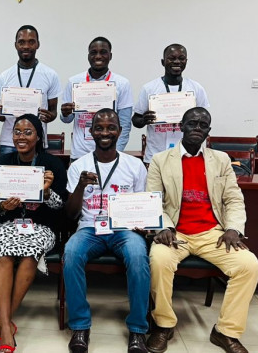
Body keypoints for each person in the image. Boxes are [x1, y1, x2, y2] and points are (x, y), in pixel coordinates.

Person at [146, 107, 258, 353]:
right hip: (176, 233)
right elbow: (153, 199)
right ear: (181, 126)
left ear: (208, 131)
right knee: (159, 260)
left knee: (249, 266)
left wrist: (233, 228)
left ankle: (225, 331)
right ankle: (163, 325)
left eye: (203, 125)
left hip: (213, 234)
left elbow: (233, 199)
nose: (197, 128)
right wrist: (164, 226)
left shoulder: (221, 160)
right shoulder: (160, 160)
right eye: (192, 123)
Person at [63, 108, 149, 353]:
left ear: (119, 132)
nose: (105, 133)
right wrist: (80, 186)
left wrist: (141, 223)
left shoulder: (134, 165)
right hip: (89, 228)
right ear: (91, 132)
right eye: (99, 128)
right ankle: (80, 326)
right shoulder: (79, 166)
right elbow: (70, 214)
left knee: (138, 256)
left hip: (124, 230)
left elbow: (143, 206)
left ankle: (138, 329)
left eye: (111, 127)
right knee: (71, 254)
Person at [0, 114, 68, 353]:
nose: (21, 137)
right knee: (3, 254)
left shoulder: (52, 165)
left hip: (41, 226)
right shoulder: (2, 162)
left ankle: (3, 322)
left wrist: (47, 192)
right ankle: (6, 325)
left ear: (39, 137)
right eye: (17, 132)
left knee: (30, 254)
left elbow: (61, 207)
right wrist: (3, 206)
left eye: (28, 132)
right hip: (7, 224)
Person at [132, 44, 209, 163]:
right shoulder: (149, 88)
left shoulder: (196, 89)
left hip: (187, 155)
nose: (177, 61)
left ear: (186, 62)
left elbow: (204, 121)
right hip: (156, 154)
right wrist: (144, 119)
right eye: (172, 58)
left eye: (181, 58)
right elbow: (135, 121)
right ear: (163, 62)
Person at [60, 37, 133, 159]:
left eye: (103, 52)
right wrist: (65, 113)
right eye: (93, 52)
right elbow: (66, 120)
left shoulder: (122, 83)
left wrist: (116, 152)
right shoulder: (74, 82)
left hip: (110, 154)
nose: (98, 56)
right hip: (80, 153)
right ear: (88, 56)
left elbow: (125, 124)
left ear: (110, 56)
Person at [0, 25, 61, 153]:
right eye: (22, 42)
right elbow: (2, 117)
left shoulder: (50, 75)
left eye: (31, 42)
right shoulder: (5, 76)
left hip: (36, 141)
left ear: (38, 44)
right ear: (16, 45)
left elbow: (53, 112)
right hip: (9, 141)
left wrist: (49, 116)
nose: (26, 46)